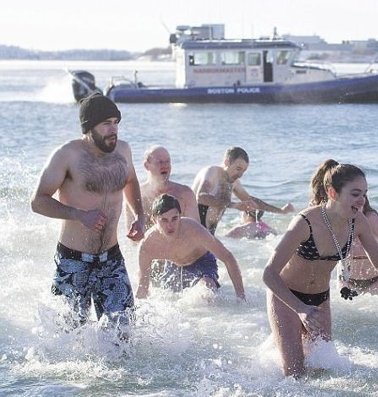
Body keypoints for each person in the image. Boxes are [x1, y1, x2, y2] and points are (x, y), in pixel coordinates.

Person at [262, 160, 378, 377]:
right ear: (332, 192)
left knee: (322, 369)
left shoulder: (358, 222)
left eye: (364, 194)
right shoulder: (305, 222)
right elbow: (269, 274)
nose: (362, 200)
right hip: (287, 297)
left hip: (319, 299)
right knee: (295, 375)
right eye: (355, 194)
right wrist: (301, 309)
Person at [30, 93, 145, 331]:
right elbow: (38, 201)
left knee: (124, 335)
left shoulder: (123, 151)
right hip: (73, 261)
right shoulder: (67, 155)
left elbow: (131, 181)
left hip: (111, 260)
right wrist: (79, 214)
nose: (113, 129)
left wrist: (139, 216)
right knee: (67, 338)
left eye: (116, 122)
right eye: (106, 124)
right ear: (89, 128)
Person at [136, 194, 246, 300]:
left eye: (174, 218)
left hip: (202, 262)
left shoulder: (194, 229)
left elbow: (228, 257)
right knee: (168, 299)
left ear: (180, 215)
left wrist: (241, 298)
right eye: (164, 220)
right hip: (173, 267)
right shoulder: (147, 245)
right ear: (154, 220)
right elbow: (143, 286)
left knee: (206, 293)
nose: (170, 226)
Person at [191, 146, 294, 234]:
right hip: (193, 228)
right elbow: (200, 197)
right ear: (227, 162)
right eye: (238, 169)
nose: (240, 175)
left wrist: (281, 211)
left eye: (243, 171)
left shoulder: (233, 182)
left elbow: (251, 201)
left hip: (209, 232)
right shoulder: (212, 171)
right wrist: (233, 205)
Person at [338, 195, 378, 294]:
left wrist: (369, 251)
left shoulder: (371, 218)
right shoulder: (335, 219)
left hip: (377, 279)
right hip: (346, 280)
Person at [132, 145, 200, 230]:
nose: (165, 165)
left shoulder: (185, 194)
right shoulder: (136, 196)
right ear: (146, 166)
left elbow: (195, 231)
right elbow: (132, 237)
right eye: (160, 162)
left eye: (167, 161)